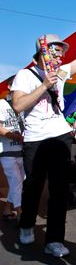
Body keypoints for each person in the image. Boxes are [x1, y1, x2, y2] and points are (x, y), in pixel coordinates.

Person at [11, 34, 76, 257]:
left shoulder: (61, 72)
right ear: (44, 51)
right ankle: (26, 225)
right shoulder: (25, 75)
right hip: (35, 138)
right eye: (57, 49)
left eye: (62, 50)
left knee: (59, 190)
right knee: (33, 186)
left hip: (60, 135)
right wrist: (44, 85)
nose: (61, 53)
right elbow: (18, 105)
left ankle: (54, 240)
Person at [0, 76, 24, 220]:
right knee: (16, 181)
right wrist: (16, 137)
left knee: (18, 182)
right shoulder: (2, 104)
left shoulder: (22, 104)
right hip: (7, 151)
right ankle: (21, 214)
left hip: (22, 151)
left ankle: (7, 209)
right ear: (9, 87)